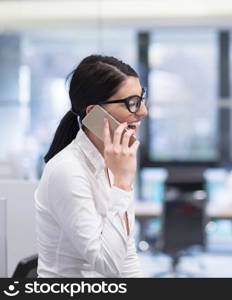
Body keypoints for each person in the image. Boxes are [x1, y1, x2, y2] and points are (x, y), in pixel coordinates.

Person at [35, 55, 148, 277]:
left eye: (141, 99)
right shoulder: (67, 170)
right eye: (132, 102)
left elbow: (127, 256)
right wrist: (123, 184)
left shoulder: (112, 162)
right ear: (94, 113)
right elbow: (108, 266)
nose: (143, 111)